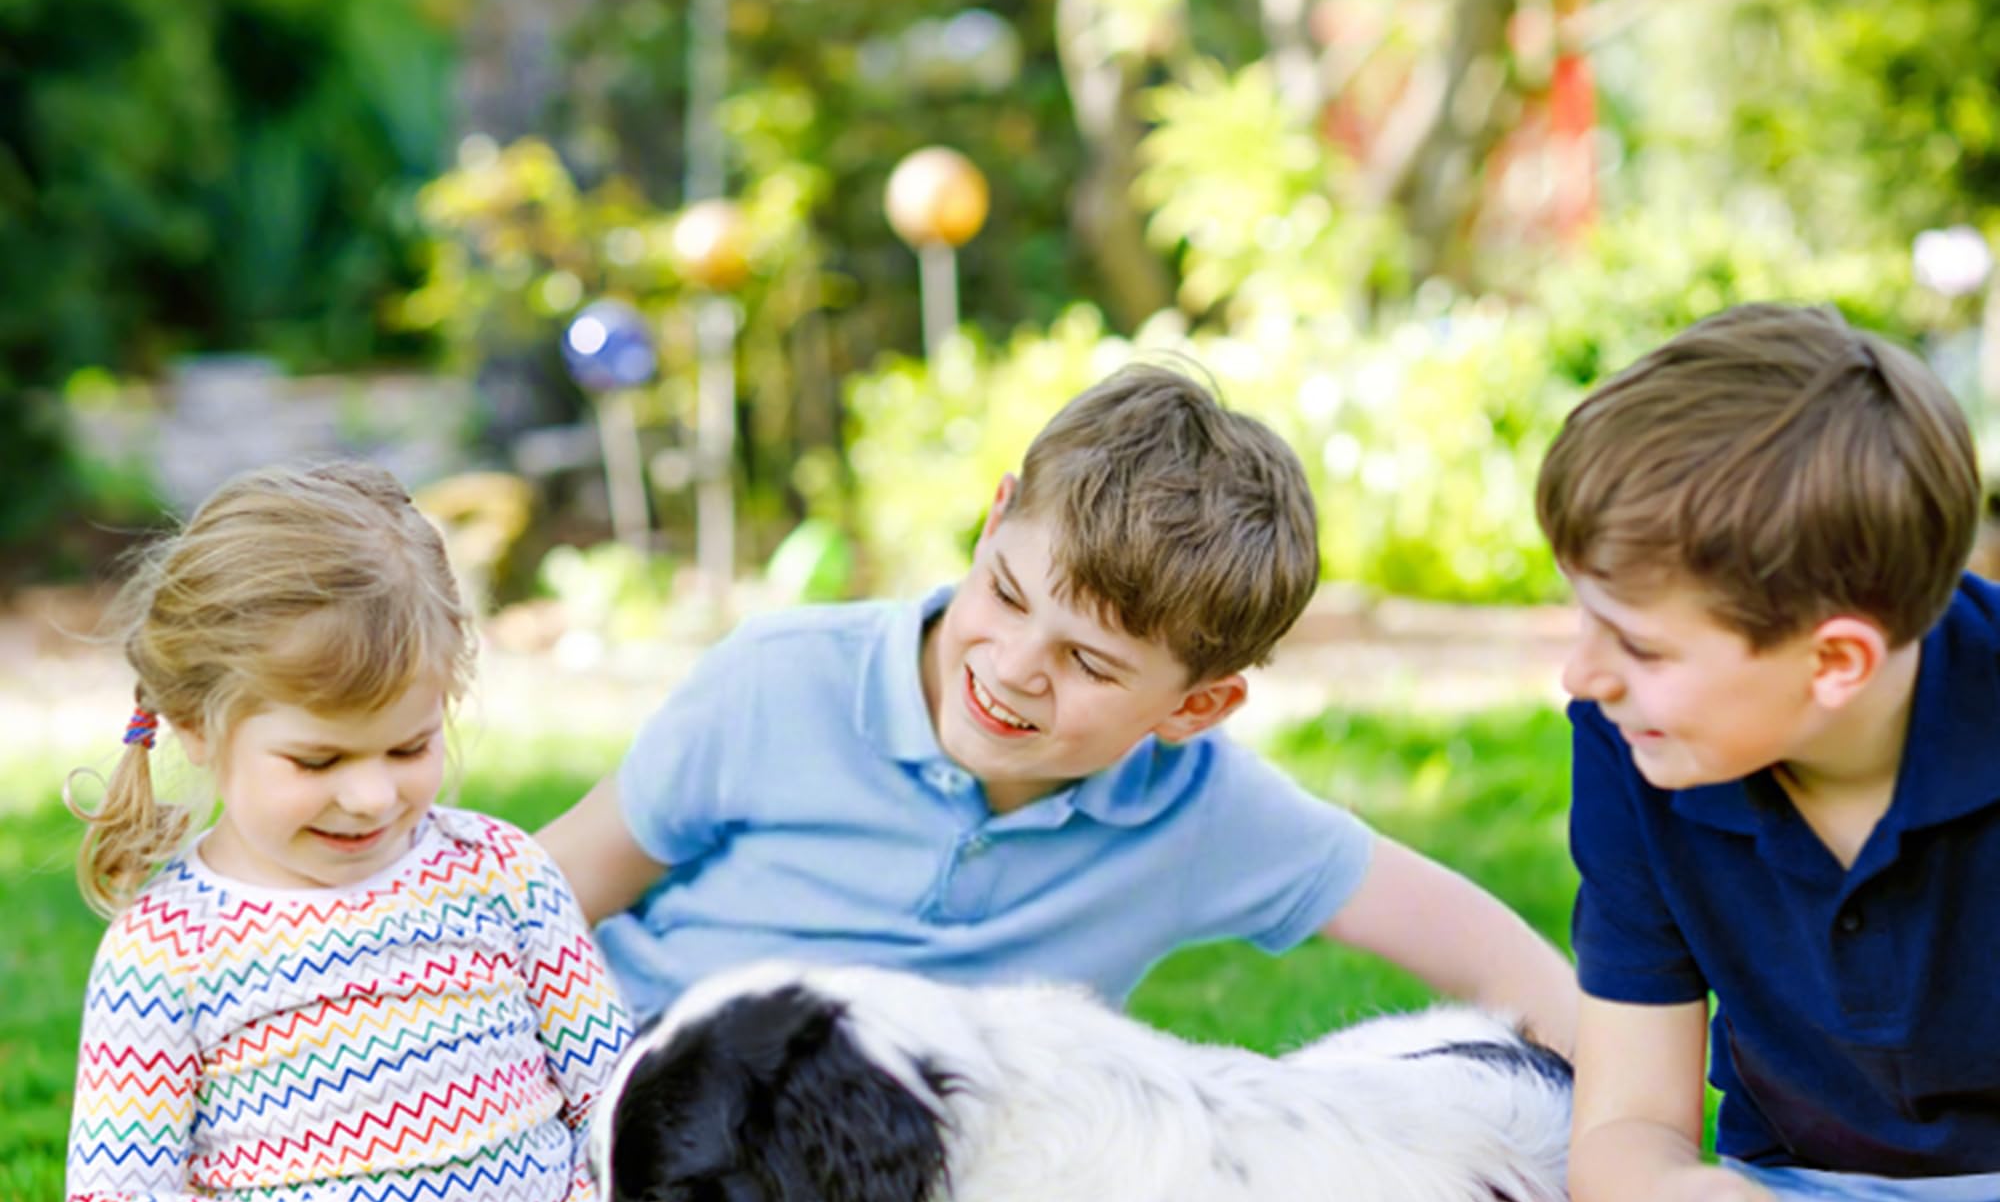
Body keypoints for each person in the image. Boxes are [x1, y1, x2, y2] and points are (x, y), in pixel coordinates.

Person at [540, 364, 1577, 1053]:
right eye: (1004, 593)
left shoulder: (1202, 813)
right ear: (995, 517)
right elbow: (540, 893)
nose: (1013, 664)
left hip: (871, 1190)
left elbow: (1489, 952)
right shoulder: (780, 682)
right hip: (632, 1092)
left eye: (1086, 659)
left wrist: (1638, 1115)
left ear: (1195, 705)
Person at [1396, 302, 2000, 1202]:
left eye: (1641, 645)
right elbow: (1627, 1126)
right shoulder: (1631, 745)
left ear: (1835, 660)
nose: (1582, 673)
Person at [6, 462, 629, 1202]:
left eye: (410, 744)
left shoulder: (503, 875)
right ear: (197, 725)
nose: (374, 793)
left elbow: (618, 1099)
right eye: (317, 756)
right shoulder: (172, 944)